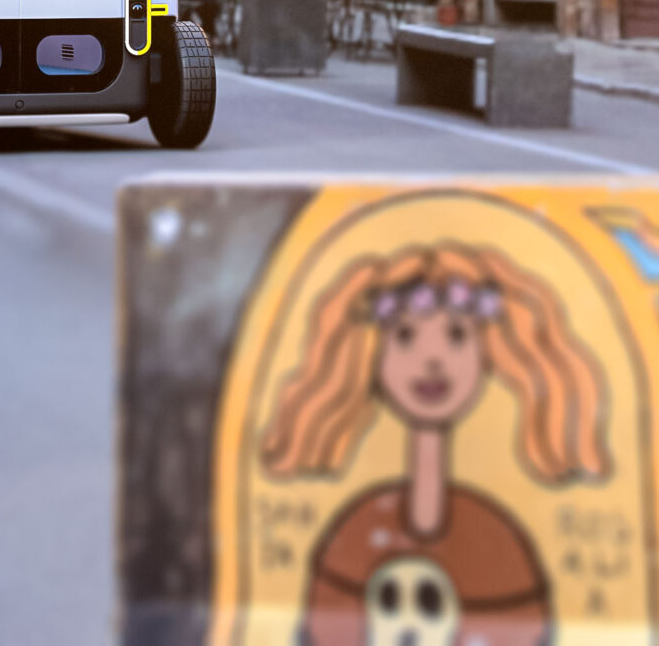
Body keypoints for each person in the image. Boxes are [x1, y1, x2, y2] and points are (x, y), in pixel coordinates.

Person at [258, 243, 610, 646]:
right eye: (405, 336)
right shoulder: (354, 539)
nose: (432, 360)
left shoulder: (498, 550)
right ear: (374, 353)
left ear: (486, 352)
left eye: (456, 336)